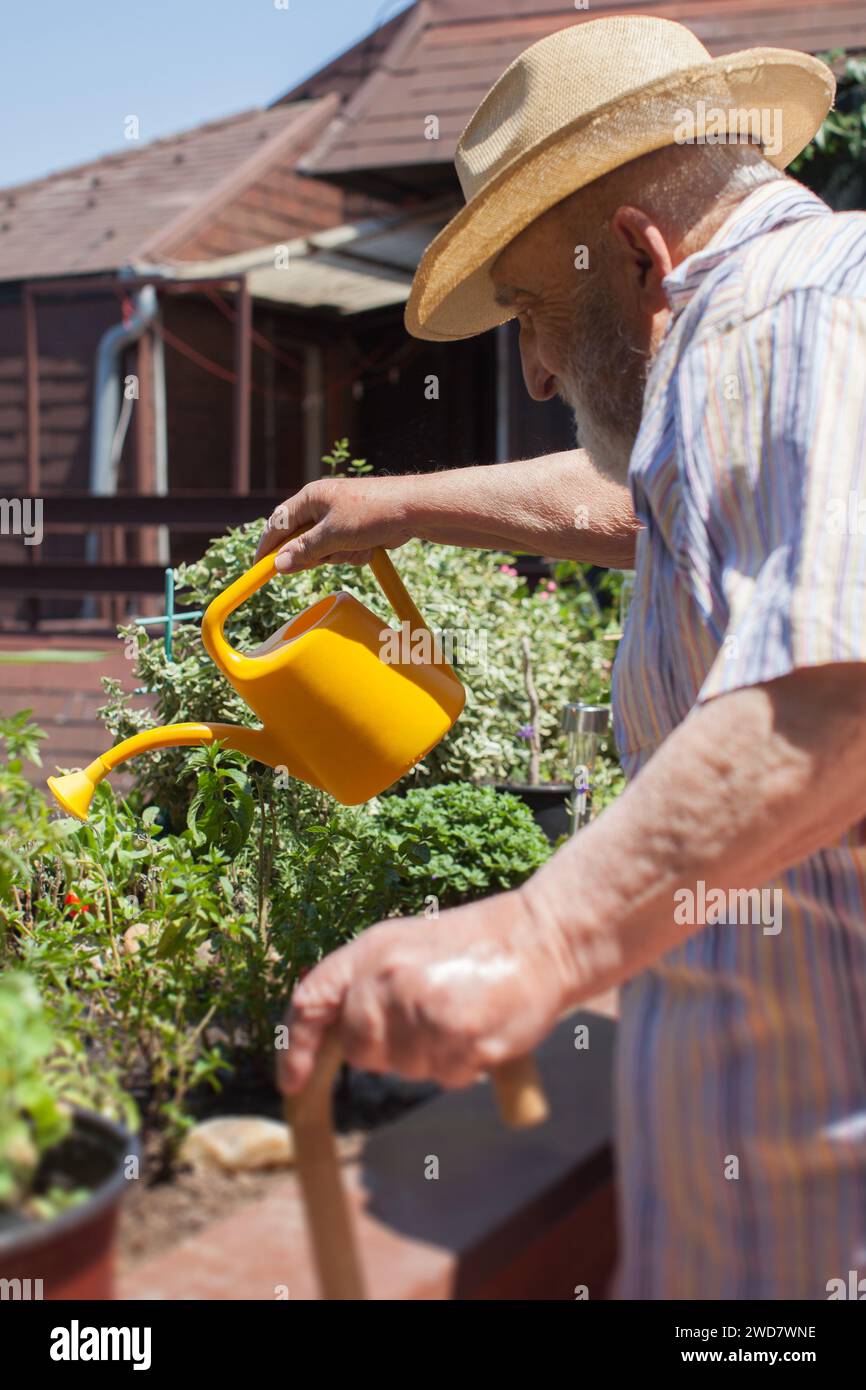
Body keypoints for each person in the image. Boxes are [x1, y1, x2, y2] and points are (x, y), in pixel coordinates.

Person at [258, 18, 866, 1298]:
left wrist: (538, 935)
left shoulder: (789, 310)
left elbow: (839, 683)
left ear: (640, 254)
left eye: (531, 313)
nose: (531, 373)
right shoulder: (768, 330)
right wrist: (404, 501)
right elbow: (653, 503)